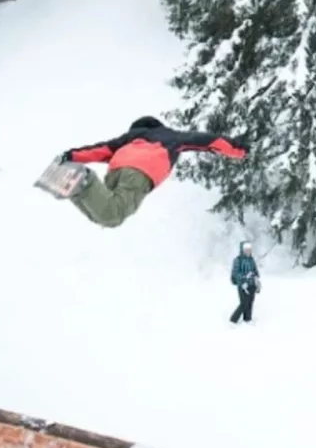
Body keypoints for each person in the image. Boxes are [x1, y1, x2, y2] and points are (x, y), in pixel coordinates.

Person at [56, 117, 247, 228]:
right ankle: (85, 180)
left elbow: (100, 149)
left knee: (101, 216)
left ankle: (74, 186)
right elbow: (206, 141)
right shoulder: (171, 136)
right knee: (112, 215)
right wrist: (238, 149)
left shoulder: (130, 139)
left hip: (116, 170)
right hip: (140, 171)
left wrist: (71, 156)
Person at [230, 242, 260, 324]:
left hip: (251, 285)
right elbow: (235, 273)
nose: (248, 251)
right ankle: (233, 320)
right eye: (246, 250)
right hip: (242, 285)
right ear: (242, 250)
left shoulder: (251, 260)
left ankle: (248, 319)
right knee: (243, 303)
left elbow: (255, 271)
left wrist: (256, 277)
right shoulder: (237, 260)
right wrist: (245, 277)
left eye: (249, 250)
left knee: (250, 302)